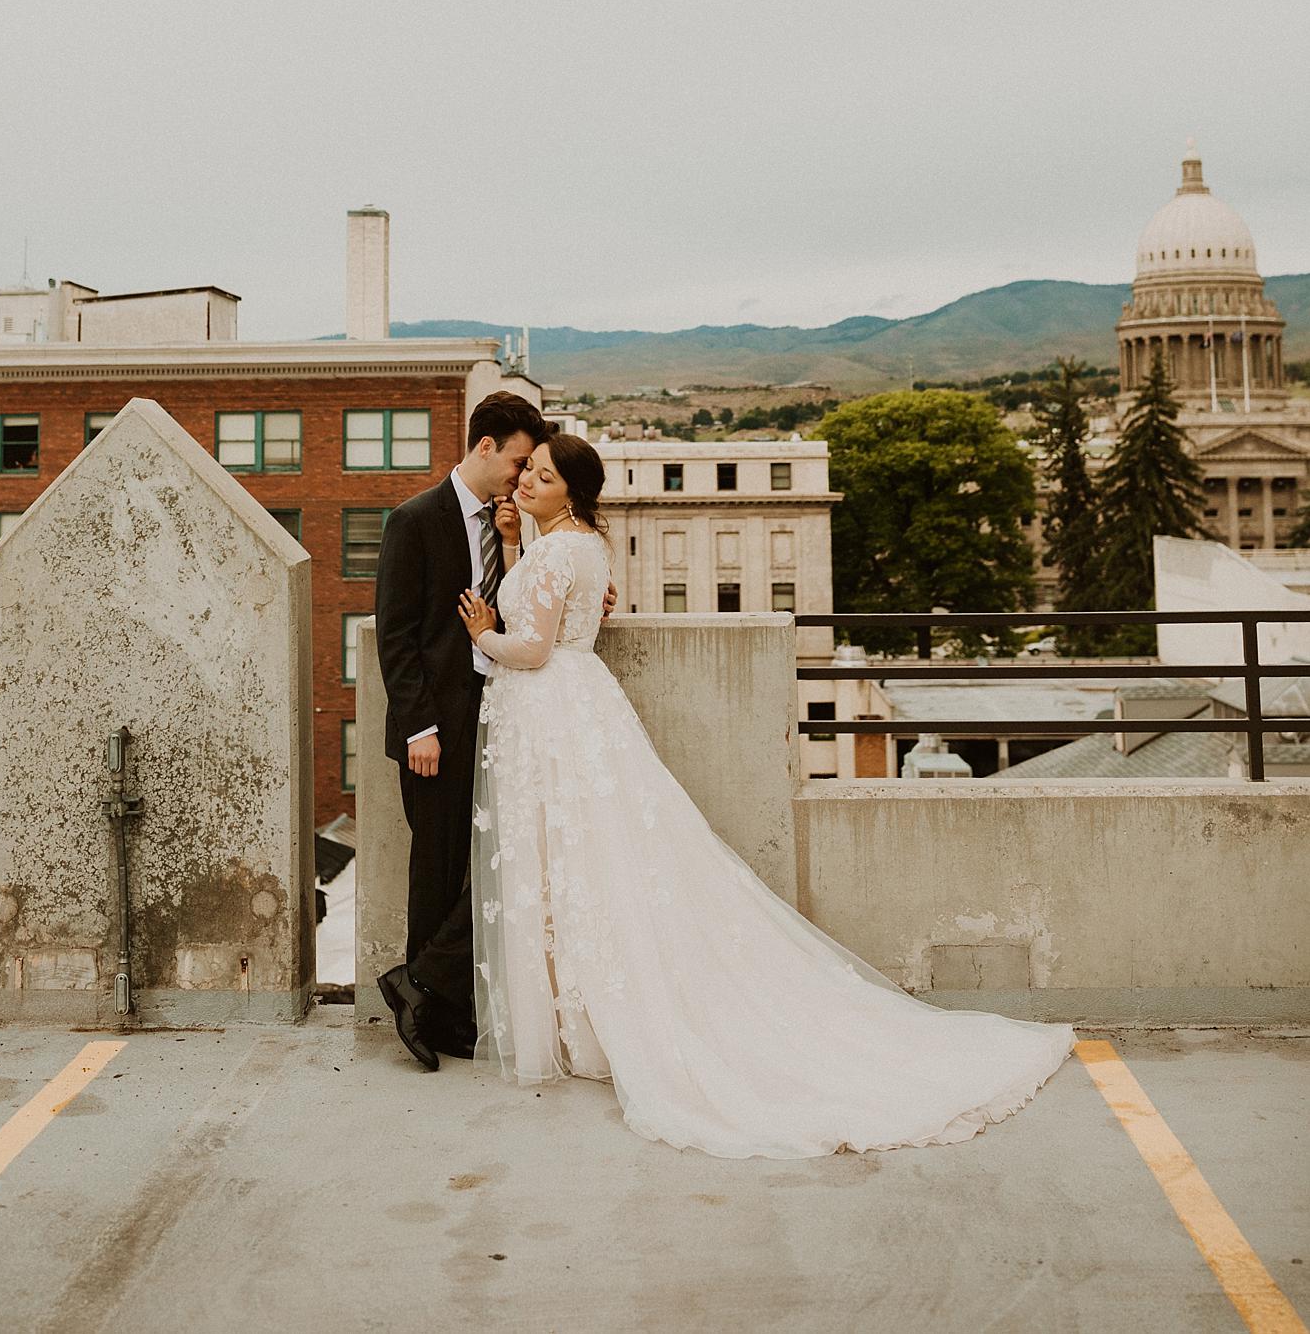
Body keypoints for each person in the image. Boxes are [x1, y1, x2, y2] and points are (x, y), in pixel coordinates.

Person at [459, 433, 1075, 1159]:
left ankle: (587, 1022)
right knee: (606, 860)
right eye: (527, 471)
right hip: (586, 702)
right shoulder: (589, 546)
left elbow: (533, 649)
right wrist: (519, 540)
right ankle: (597, 1015)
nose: (526, 481)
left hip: (553, 710)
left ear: (572, 491)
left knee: (572, 863)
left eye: (542, 476)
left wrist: (485, 631)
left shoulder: (556, 552)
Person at [372, 390, 547, 1070]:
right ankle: (422, 1006)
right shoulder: (415, 520)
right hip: (436, 727)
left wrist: (515, 542)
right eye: (518, 460)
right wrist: (420, 727)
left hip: (498, 714)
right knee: (438, 867)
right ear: (484, 447)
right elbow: (397, 635)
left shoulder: (511, 526)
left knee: (485, 867)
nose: (522, 475)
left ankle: (437, 1003)